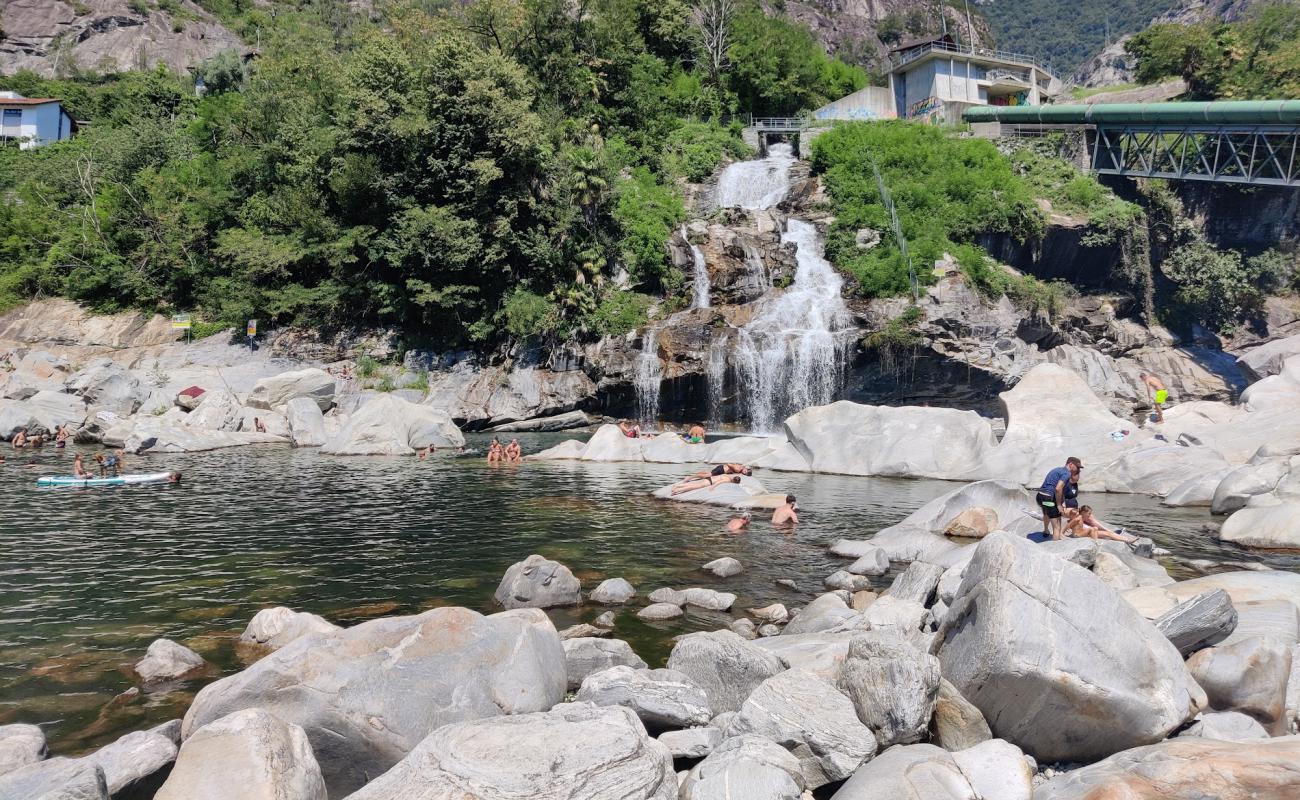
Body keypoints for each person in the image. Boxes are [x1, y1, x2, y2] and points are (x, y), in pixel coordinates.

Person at [1036, 457, 1082, 541]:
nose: (1077, 470)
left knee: (1047, 512)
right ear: (1070, 464)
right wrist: (1059, 505)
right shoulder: (1067, 473)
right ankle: (1055, 550)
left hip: (1040, 497)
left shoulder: (1056, 470)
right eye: (1077, 467)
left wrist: (1062, 502)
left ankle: (1046, 531)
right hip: (1049, 499)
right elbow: (1058, 488)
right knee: (1057, 527)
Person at [1064, 505, 1139, 544]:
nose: (1090, 515)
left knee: (1108, 533)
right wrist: (1062, 533)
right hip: (1077, 535)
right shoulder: (1078, 518)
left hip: (1084, 533)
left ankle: (1127, 540)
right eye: (1089, 513)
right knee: (1092, 529)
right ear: (1083, 513)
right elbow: (1069, 525)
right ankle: (1095, 543)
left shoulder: (1082, 518)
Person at [670, 474, 741, 496]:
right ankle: (676, 491)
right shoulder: (728, 480)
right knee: (692, 487)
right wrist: (713, 486)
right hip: (709, 482)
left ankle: (677, 486)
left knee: (693, 484)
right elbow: (719, 482)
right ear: (734, 482)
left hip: (709, 479)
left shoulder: (727, 476)